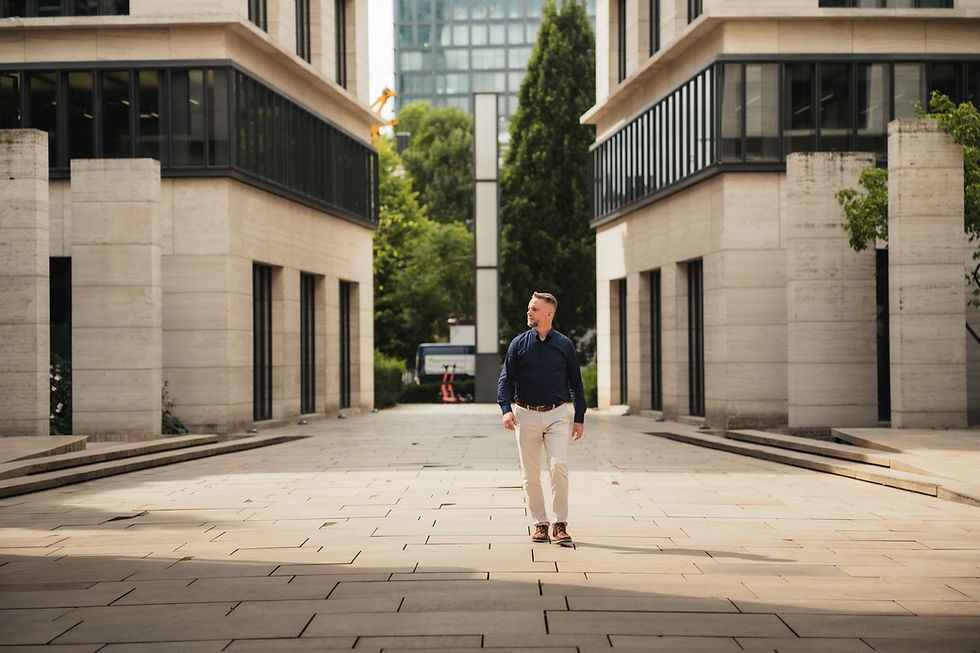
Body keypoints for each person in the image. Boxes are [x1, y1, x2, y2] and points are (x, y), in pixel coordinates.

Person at [497, 291, 586, 544]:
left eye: (534, 309)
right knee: (531, 474)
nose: (529, 312)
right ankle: (540, 524)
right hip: (524, 414)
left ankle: (560, 523)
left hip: (557, 414)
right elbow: (506, 378)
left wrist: (579, 417)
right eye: (529, 308)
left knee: (558, 465)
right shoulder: (518, 344)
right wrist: (505, 409)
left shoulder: (565, 345)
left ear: (549, 314)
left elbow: (576, 384)